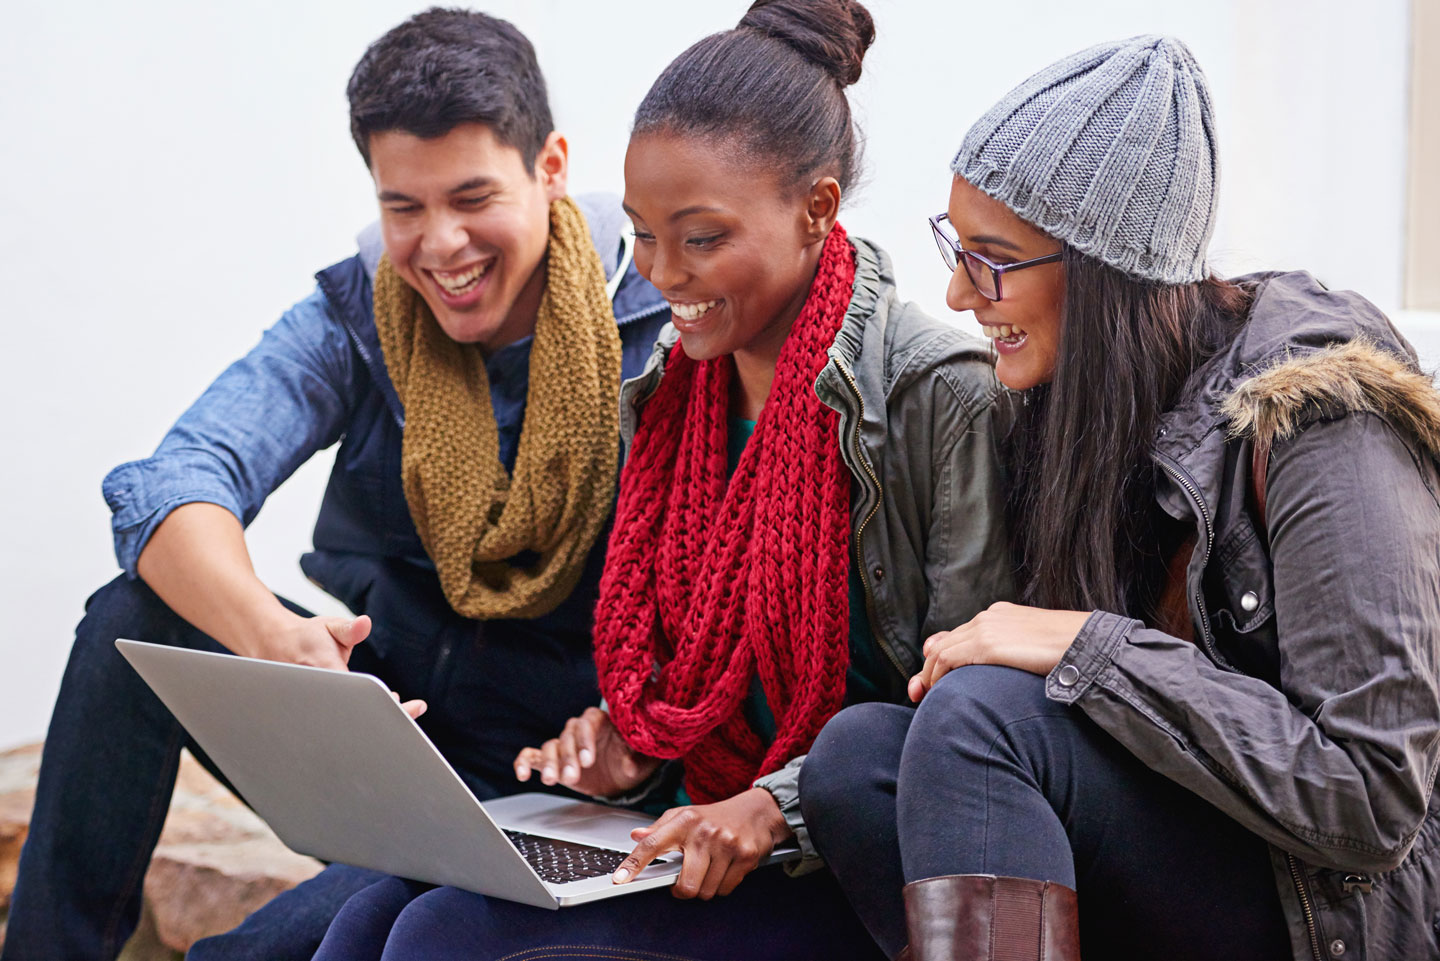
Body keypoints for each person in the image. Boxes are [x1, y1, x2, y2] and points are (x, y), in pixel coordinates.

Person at [309, 2, 1014, 958]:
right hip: (688, 829)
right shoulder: (670, 397)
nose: (663, 273)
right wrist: (630, 751)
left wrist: (773, 804)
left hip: (837, 865)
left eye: (701, 237)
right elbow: (708, 677)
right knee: (367, 925)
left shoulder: (941, 397)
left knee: (436, 941)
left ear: (816, 209)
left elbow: (961, 717)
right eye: (642, 234)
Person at [1, 10, 675, 961]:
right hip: (388, 727)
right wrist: (275, 640)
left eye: (472, 196)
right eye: (404, 206)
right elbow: (174, 480)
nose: (440, 244)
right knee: (128, 618)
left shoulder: (660, 323)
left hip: (556, 778)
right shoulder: (362, 310)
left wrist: (636, 731)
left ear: (552, 166)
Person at [798, 34, 1440, 961]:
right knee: (861, 761)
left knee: (980, 720)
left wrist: (1090, 646)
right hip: (1191, 846)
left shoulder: (1321, 417)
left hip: (1327, 908)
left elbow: (1371, 796)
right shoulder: (1069, 408)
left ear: (1104, 273)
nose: (956, 290)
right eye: (956, 246)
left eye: (992, 258)